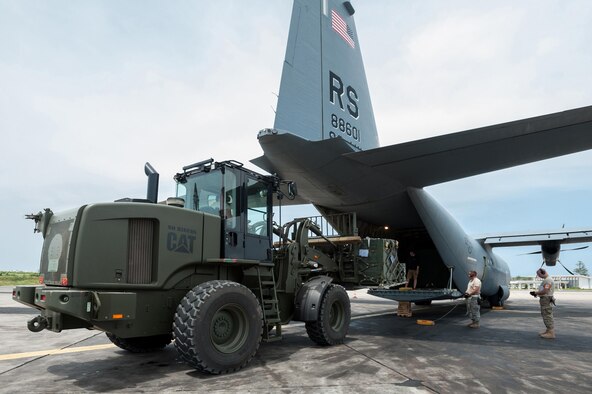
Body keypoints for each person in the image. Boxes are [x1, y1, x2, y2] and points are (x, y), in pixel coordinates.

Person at [530, 268, 555, 339]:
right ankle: (548, 330)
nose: (538, 276)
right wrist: (537, 294)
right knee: (545, 314)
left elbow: (545, 291)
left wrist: (536, 293)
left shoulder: (548, 281)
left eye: (539, 274)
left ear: (543, 273)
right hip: (545, 299)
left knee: (547, 315)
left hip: (546, 299)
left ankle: (551, 333)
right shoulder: (546, 280)